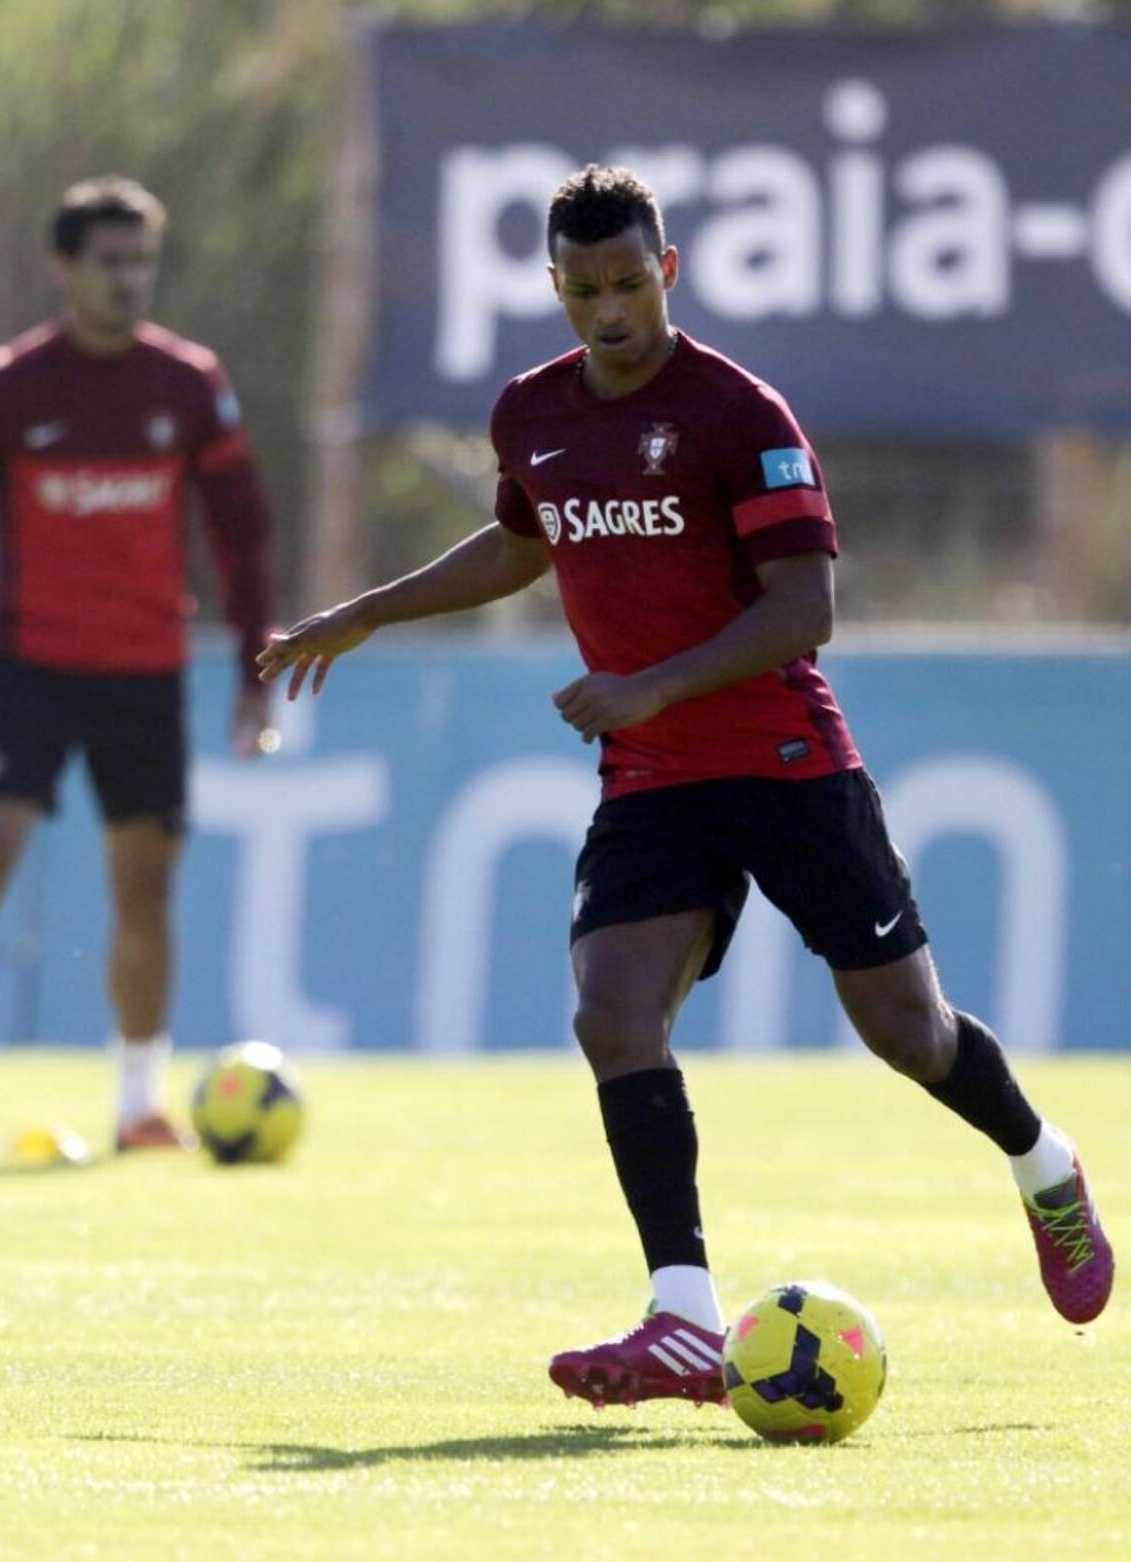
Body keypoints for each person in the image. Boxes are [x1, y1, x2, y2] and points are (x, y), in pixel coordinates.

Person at [258, 165, 1113, 1404]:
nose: (610, 309)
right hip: (652, 776)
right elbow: (520, 538)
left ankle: (1046, 1165)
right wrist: (366, 612)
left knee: (910, 1034)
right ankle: (682, 1312)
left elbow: (804, 606)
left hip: (783, 761)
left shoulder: (738, 413)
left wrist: (650, 682)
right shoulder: (532, 413)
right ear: (554, 284)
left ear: (670, 269)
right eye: (585, 287)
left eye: (629, 281)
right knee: (613, 1015)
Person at [0, 175, 273, 1155]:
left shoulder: (188, 383)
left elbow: (243, 531)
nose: (130, 280)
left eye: (142, 261)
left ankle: (138, 1102)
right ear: (65, 268)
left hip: (143, 672)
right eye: (110, 262)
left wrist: (256, 665)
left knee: (145, 888)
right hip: (30, 668)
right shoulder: (8, 385)